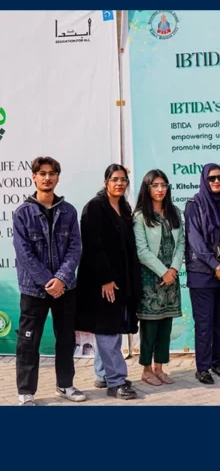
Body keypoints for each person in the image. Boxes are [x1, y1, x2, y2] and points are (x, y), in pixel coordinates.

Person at [12, 156, 86, 406]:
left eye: (52, 173)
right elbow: (24, 253)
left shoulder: (68, 211)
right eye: (42, 173)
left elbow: (75, 248)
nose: (47, 178)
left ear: (58, 177)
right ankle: (26, 392)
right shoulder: (23, 213)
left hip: (65, 289)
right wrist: (48, 281)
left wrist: (61, 279)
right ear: (34, 177)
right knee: (28, 341)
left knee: (65, 339)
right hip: (34, 290)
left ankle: (65, 385)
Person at [76, 164, 141, 399]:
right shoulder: (94, 207)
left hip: (121, 280)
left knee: (110, 328)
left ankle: (103, 375)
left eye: (123, 180)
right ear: (106, 182)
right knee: (109, 330)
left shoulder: (124, 208)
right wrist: (105, 279)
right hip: (101, 282)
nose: (119, 183)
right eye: (115, 179)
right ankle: (116, 382)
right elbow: (92, 245)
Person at [185, 163, 220, 384]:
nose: (216, 181)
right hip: (202, 274)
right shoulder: (194, 205)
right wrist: (215, 266)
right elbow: (195, 240)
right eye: (211, 178)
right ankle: (203, 367)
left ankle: (217, 362)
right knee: (205, 323)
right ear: (204, 180)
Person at [133, 170, 184, 386]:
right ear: (147, 188)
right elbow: (142, 251)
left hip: (171, 278)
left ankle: (159, 368)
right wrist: (163, 271)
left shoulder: (174, 212)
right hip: (150, 278)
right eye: (155, 185)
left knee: (166, 325)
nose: (160, 189)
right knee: (150, 327)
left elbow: (181, 244)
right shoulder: (140, 217)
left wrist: (173, 269)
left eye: (163, 185)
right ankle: (146, 370)